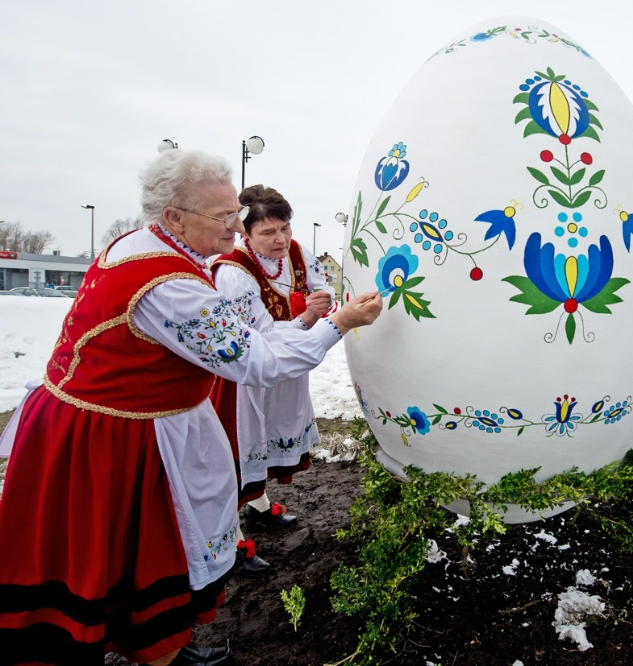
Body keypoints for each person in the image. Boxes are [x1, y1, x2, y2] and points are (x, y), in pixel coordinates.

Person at [0, 149, 383, 666]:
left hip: (103, 421)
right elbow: (259, 358)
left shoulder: (141, 247)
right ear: (174, 216)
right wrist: (341, 324)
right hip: (116, 436)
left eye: (235, 213)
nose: (235, 227)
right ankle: (155, 648)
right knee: (145, 548)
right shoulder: (172, 286)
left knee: (123, 552)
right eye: (223, 217)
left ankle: (149, 645)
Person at [210, 185, 333, 574]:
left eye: (284, 228)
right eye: (267, 233)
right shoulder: (233, 271)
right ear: (245, 234)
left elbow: (322, 284)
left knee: (267, 438)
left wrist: (322, 299)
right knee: (237, 449)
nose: (280, 239)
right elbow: (257, 341)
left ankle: (259, 506)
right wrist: (307, 317)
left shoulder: (295, 252)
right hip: (242, 380)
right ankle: (229, 541)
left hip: (286, 370)